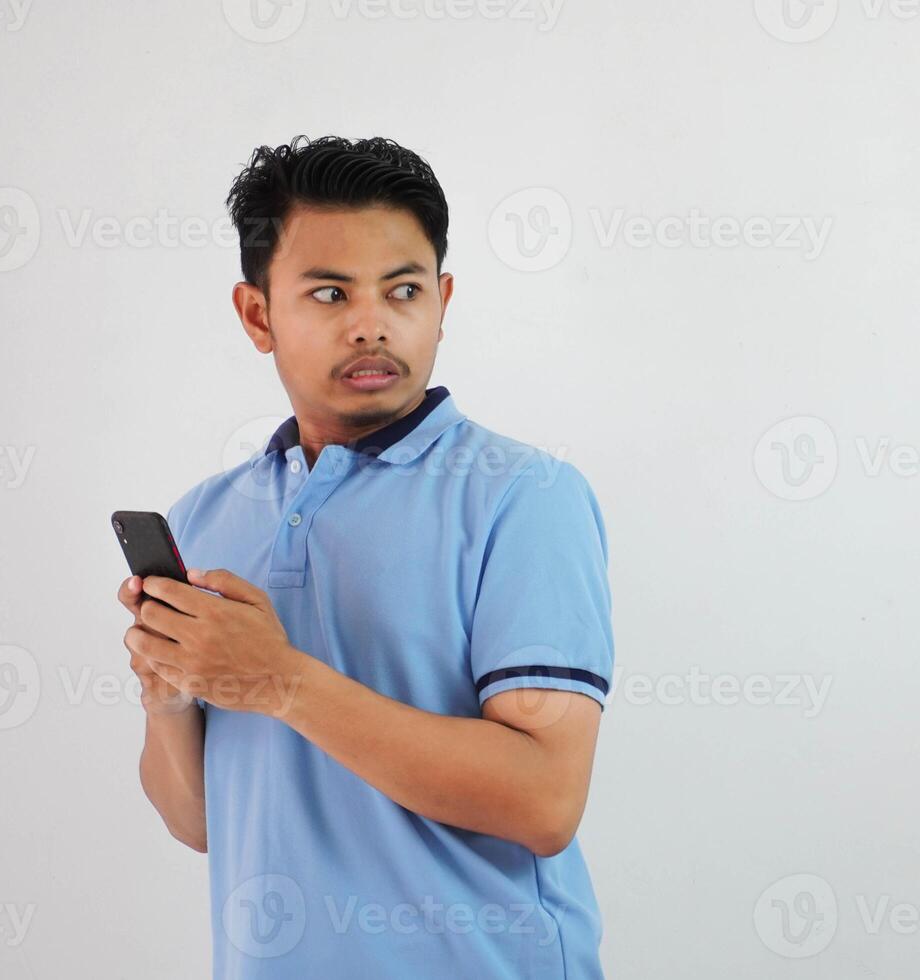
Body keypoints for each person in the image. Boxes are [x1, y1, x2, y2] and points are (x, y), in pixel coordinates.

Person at [116, 135, 614, 979]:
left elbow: (543, 800)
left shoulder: (523, 497)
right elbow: (203, 822)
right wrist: (169, 698)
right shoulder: (205, 517)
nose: (372, 323)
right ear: (257, 316)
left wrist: (279, 682)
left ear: (443, 301)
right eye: (329, 293)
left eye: (404, 290)